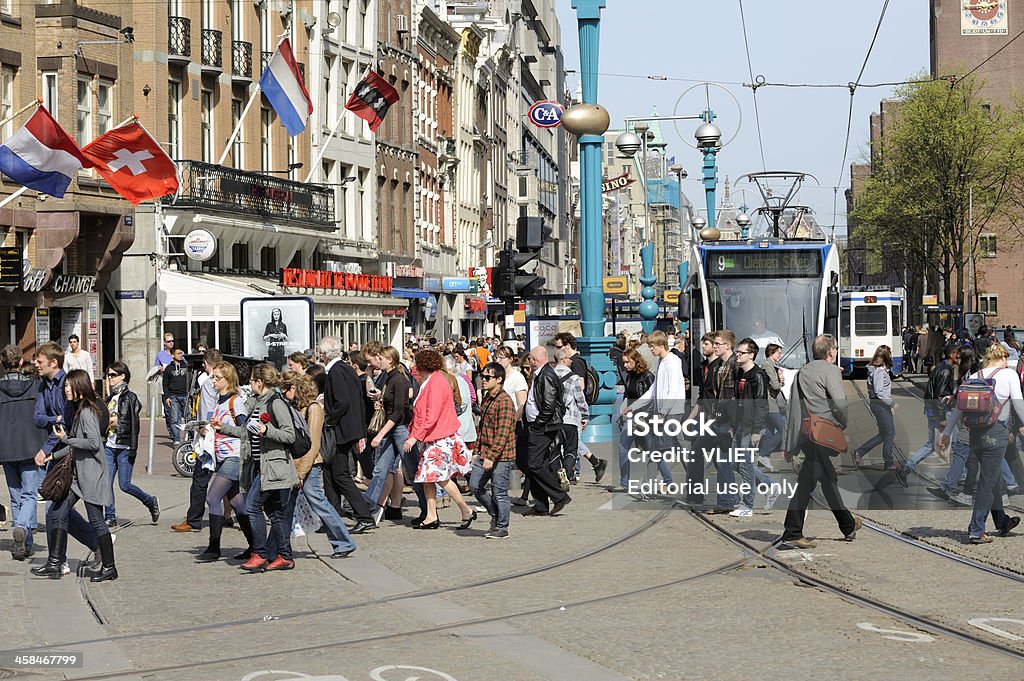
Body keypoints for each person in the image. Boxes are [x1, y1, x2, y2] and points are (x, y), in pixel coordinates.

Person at [32, 370, 117, 582]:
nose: (66, 390)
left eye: (69, 386)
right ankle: (54, 562)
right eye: (65, 386)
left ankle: (110, 567)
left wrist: (66, 439)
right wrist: (52, 455)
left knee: (97, 521)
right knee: (59, 511)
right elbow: (75, 447)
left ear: (80, 386)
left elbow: (93, 444)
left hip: (91, 476)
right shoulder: (78, 410)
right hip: (79, 476)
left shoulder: (87, 411)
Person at [778, 334, 859, 549]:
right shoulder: (831, 370)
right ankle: (792, 532)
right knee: (806, 484)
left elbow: (792, 408)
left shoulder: (802, 371)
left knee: (827, 480)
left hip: (807, 433)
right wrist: (842, 424)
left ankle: (848, 524)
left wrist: (789, 444)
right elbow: (840, 405)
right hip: (825, 433)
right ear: (831, 352)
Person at [939, 343, 1024, 544]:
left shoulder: (975, 376)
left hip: (974, 435)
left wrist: (947, 433)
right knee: (987, 483)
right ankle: (976, 529)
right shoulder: (1009, 375)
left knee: (992, 479)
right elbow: (1019, 405)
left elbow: (959, 408)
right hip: (996, 433)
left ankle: (1002, 522)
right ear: (1003, 358)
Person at [217, 363, 298, 572]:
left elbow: (289, 435)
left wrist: (266, 430)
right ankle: (285, 557)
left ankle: (260, 553)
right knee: (275, 512)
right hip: (258, 465)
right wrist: (222, 428)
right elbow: (246, 433)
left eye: (252, 381)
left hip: (273, 467)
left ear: (259, 382)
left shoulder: (276, 403)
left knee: (252, 506)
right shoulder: (255, 402)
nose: (249, 384)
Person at [32, 342, 99, 573]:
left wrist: (46, 450)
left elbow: (67, 425)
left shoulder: (67, 385)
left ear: (53, 363)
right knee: (58, 507)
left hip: (69, 452)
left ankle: (58, 560)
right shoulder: (43, 385)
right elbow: (39, 418)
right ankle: (94, 545)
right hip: (58, 452)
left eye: (39, 362)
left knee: (56, 508)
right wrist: (54, 420)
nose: (35, 365)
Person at [280, 371, 358, 558]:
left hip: (310, 465)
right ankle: (279, 546)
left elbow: (313, 445)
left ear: (294, 388)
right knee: (287, 506)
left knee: (319, 502)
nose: (283, 395)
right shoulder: (297, 407)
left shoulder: (313, 409)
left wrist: (301, 472)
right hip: (299, 464)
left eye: (285, 391)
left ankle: (344, 542)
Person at [402, 349, 475, 529]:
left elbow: (431, 416)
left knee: (440, 477)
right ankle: (431, 515)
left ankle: (466, 510)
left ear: (422, 365)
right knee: (429, 477)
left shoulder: (435, 383)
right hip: (434, 437)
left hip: (439, 437)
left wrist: (414, 437)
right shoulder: (432, 381)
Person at [194, 361, 253, 562]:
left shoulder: (235, 401)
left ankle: (214, 546)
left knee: (212, 498)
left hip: (234, 456)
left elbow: (244, 430)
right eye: (213, 377)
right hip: (220, 455)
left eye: (217, 378)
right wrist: (206, 430)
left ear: (228, 380)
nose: (213, 381)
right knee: (238, 502)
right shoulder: (220, 402)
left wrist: (222, 429)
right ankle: (256, 545)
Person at [319, 337, 375, 534]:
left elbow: (341, 402)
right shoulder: (346, 369)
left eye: (321, 353)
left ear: (325, 354)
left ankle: (364, 514)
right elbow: (356, 400)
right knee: (330, 471)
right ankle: (332, 516)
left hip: (341, 430)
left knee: (340, 474)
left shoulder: (336, 371)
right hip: (349, 429)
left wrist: (328, 420)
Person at [0, 345, 46, 560]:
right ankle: (22, 530)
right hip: (31, 446)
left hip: (6, 448)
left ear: (2, 364)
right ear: (20, 363)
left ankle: (23, 544)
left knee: (15, 495)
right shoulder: (35, 386)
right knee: (29, 494)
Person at [102, 362, 159, 527]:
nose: (110, 378)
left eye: (113, 375)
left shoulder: (130, 397)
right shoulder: (110, 398)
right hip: (109, 447)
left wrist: (117, 426)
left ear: (122, 376)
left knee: (125, 485)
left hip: (124, 447)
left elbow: (134, 424)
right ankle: (110, 516)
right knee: (106, 483)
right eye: (108, 375)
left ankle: (150, 501)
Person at [172, 349, 223, 533]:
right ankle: (236, 516)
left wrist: (203, 427)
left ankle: (194, 520)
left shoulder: (210, 383)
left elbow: (210, 409)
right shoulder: (227, 378)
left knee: (200, 480)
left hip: (209, 436)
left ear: (206, 363)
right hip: (222, 435)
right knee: (229, 480)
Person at [363, 346, 412, 525]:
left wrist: (379, 435)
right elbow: (392, 405)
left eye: (381, 358)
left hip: (399, 430)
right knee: (380, 470)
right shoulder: (389, 378)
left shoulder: (398, 379)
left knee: (412, 470)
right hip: (391, 429)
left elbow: (399, 411)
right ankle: (369, 507)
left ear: (390, 360)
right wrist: (381, 402)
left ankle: (428, 508)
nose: (378, 361)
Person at [521, 346, 572, 516]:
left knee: (533, 464)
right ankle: (541, 505)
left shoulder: (546, 375)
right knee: (537, 464)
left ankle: (559, 496)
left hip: (543, 426)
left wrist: (538, 424)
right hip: (538, 424)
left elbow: (549, 405)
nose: (529, 362)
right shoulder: (540, 375)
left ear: (535, 360)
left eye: (530, 359)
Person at [730, 338, 777, 516]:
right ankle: (770, 486)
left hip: (752, 428)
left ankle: (747, 505)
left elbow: (761, 404)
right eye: (737, 352)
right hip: (740, 425)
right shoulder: (739, 373)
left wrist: (757, 431)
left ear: (751, 355)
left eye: (741, 353)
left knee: (745, 464)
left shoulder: (757, 375)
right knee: (736, 463)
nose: (737, 355)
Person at [471, 362, 517, 539]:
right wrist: (476, 450)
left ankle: (502, 527)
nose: (483, 380)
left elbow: (503, 433)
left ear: (499, 379)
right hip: (485, 452)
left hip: (501, 455)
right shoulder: (488, 398)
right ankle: (495, 514)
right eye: (482, 376)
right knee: (475, 486)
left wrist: (491, 456)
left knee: (500, 491)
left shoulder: (504, 401)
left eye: (487, 377)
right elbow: (482, 428)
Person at [903, 345, 958, 476]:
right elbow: (939, 396)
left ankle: (906, 468)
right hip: (941, 412)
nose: (960, 357)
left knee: (931, 445)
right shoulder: (945, 371)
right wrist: (942, 418)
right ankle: (960, 476)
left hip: (931, 411)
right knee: (957, 444)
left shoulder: (940, 368)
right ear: (952, 355)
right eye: (958, 354)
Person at [851, 346, 903, 482]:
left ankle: (859, 452)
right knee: (890, 433)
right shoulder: (879, 372)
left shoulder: (877, 370)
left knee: (883, 434)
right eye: (890, 353)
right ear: (886, 356)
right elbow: (879, 392)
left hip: (879, 406)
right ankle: (889, 462)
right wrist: (891, 403)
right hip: (880, 405)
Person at [616, 348, 654, 490]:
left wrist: (648, 418)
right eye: (623, 363)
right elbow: (628, 396)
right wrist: (622, 413)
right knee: (623, 448)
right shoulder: (630, 376)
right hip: (631, 418)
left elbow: (652, 398)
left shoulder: (648, 376)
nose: (625, 365)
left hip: (644, 418)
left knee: (652, 451)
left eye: (627, 362)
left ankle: (665, 480)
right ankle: (624, 483)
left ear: (635, 360)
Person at [757, 343, 786, 471]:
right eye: (778, 352)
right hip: (769, 403)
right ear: (771, 353)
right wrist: (781, 381)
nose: (780, 355)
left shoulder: (772, 365)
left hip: (770, 402)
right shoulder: (768, 365)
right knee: (783, 429)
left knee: (769, 431)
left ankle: (765, 458)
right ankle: (763, 454)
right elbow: (774, 385)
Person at [162, 347, 189, 445]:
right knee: (174, 419)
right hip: (174, 396)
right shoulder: (169, 369)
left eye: (181, 353)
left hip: (186, 395)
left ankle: (189, 438)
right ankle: (176, 439)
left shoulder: (186, 366)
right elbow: (165, 384)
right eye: (178, 353)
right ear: (173, 355)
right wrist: (167, 397)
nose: (181, 355)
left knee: (188, 418)